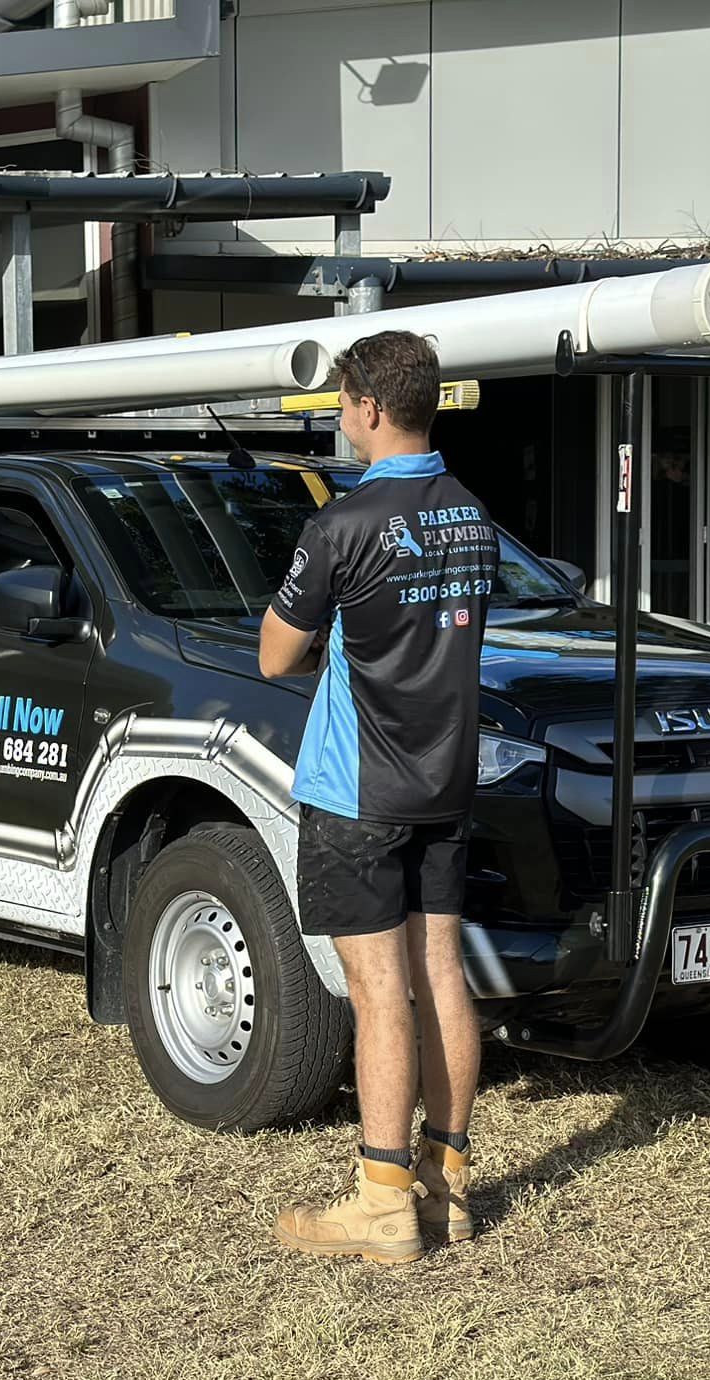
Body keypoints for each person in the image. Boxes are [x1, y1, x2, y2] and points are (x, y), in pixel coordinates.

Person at [256, 330, 500, 1265]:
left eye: (344, 403)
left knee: (377, 989)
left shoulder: (342, 526)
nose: (343, 418)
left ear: (366, 406)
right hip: (446, 781)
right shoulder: (473, 515)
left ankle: (384, 1197)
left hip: (359, 790)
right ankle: (449, 1185)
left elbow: (276, 652)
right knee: (441, 970)